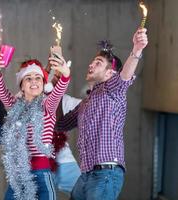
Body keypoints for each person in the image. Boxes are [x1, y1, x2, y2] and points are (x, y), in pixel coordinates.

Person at [55, 28, 148, 200]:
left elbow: (125, 77)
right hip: (85, 176)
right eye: (93, 61)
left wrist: (136, 49)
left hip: (105, 174)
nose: (91, 64)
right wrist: (57, 88)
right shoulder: (85, 103)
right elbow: (59, 124)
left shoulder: (113, 90)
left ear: (109, 73)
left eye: (98, 62)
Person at [0, 53, 71, 200]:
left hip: (41, 174)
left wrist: (65, 75)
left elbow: (59, 91)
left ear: (43, 83)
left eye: (38, 78)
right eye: (28, 78)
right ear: (21, 85)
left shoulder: (47, 105)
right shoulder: (15, 106)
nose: (34, 82)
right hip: (19, 176)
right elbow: (1, 90)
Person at [44, 46, 81, 196]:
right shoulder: (31, 97)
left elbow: (88, 107)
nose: (56, 76)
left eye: (59, 73)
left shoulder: (66, 101)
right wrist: (49, 67)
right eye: (54, 73)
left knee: (82, 193)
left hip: (63, 160)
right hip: (36, 163)